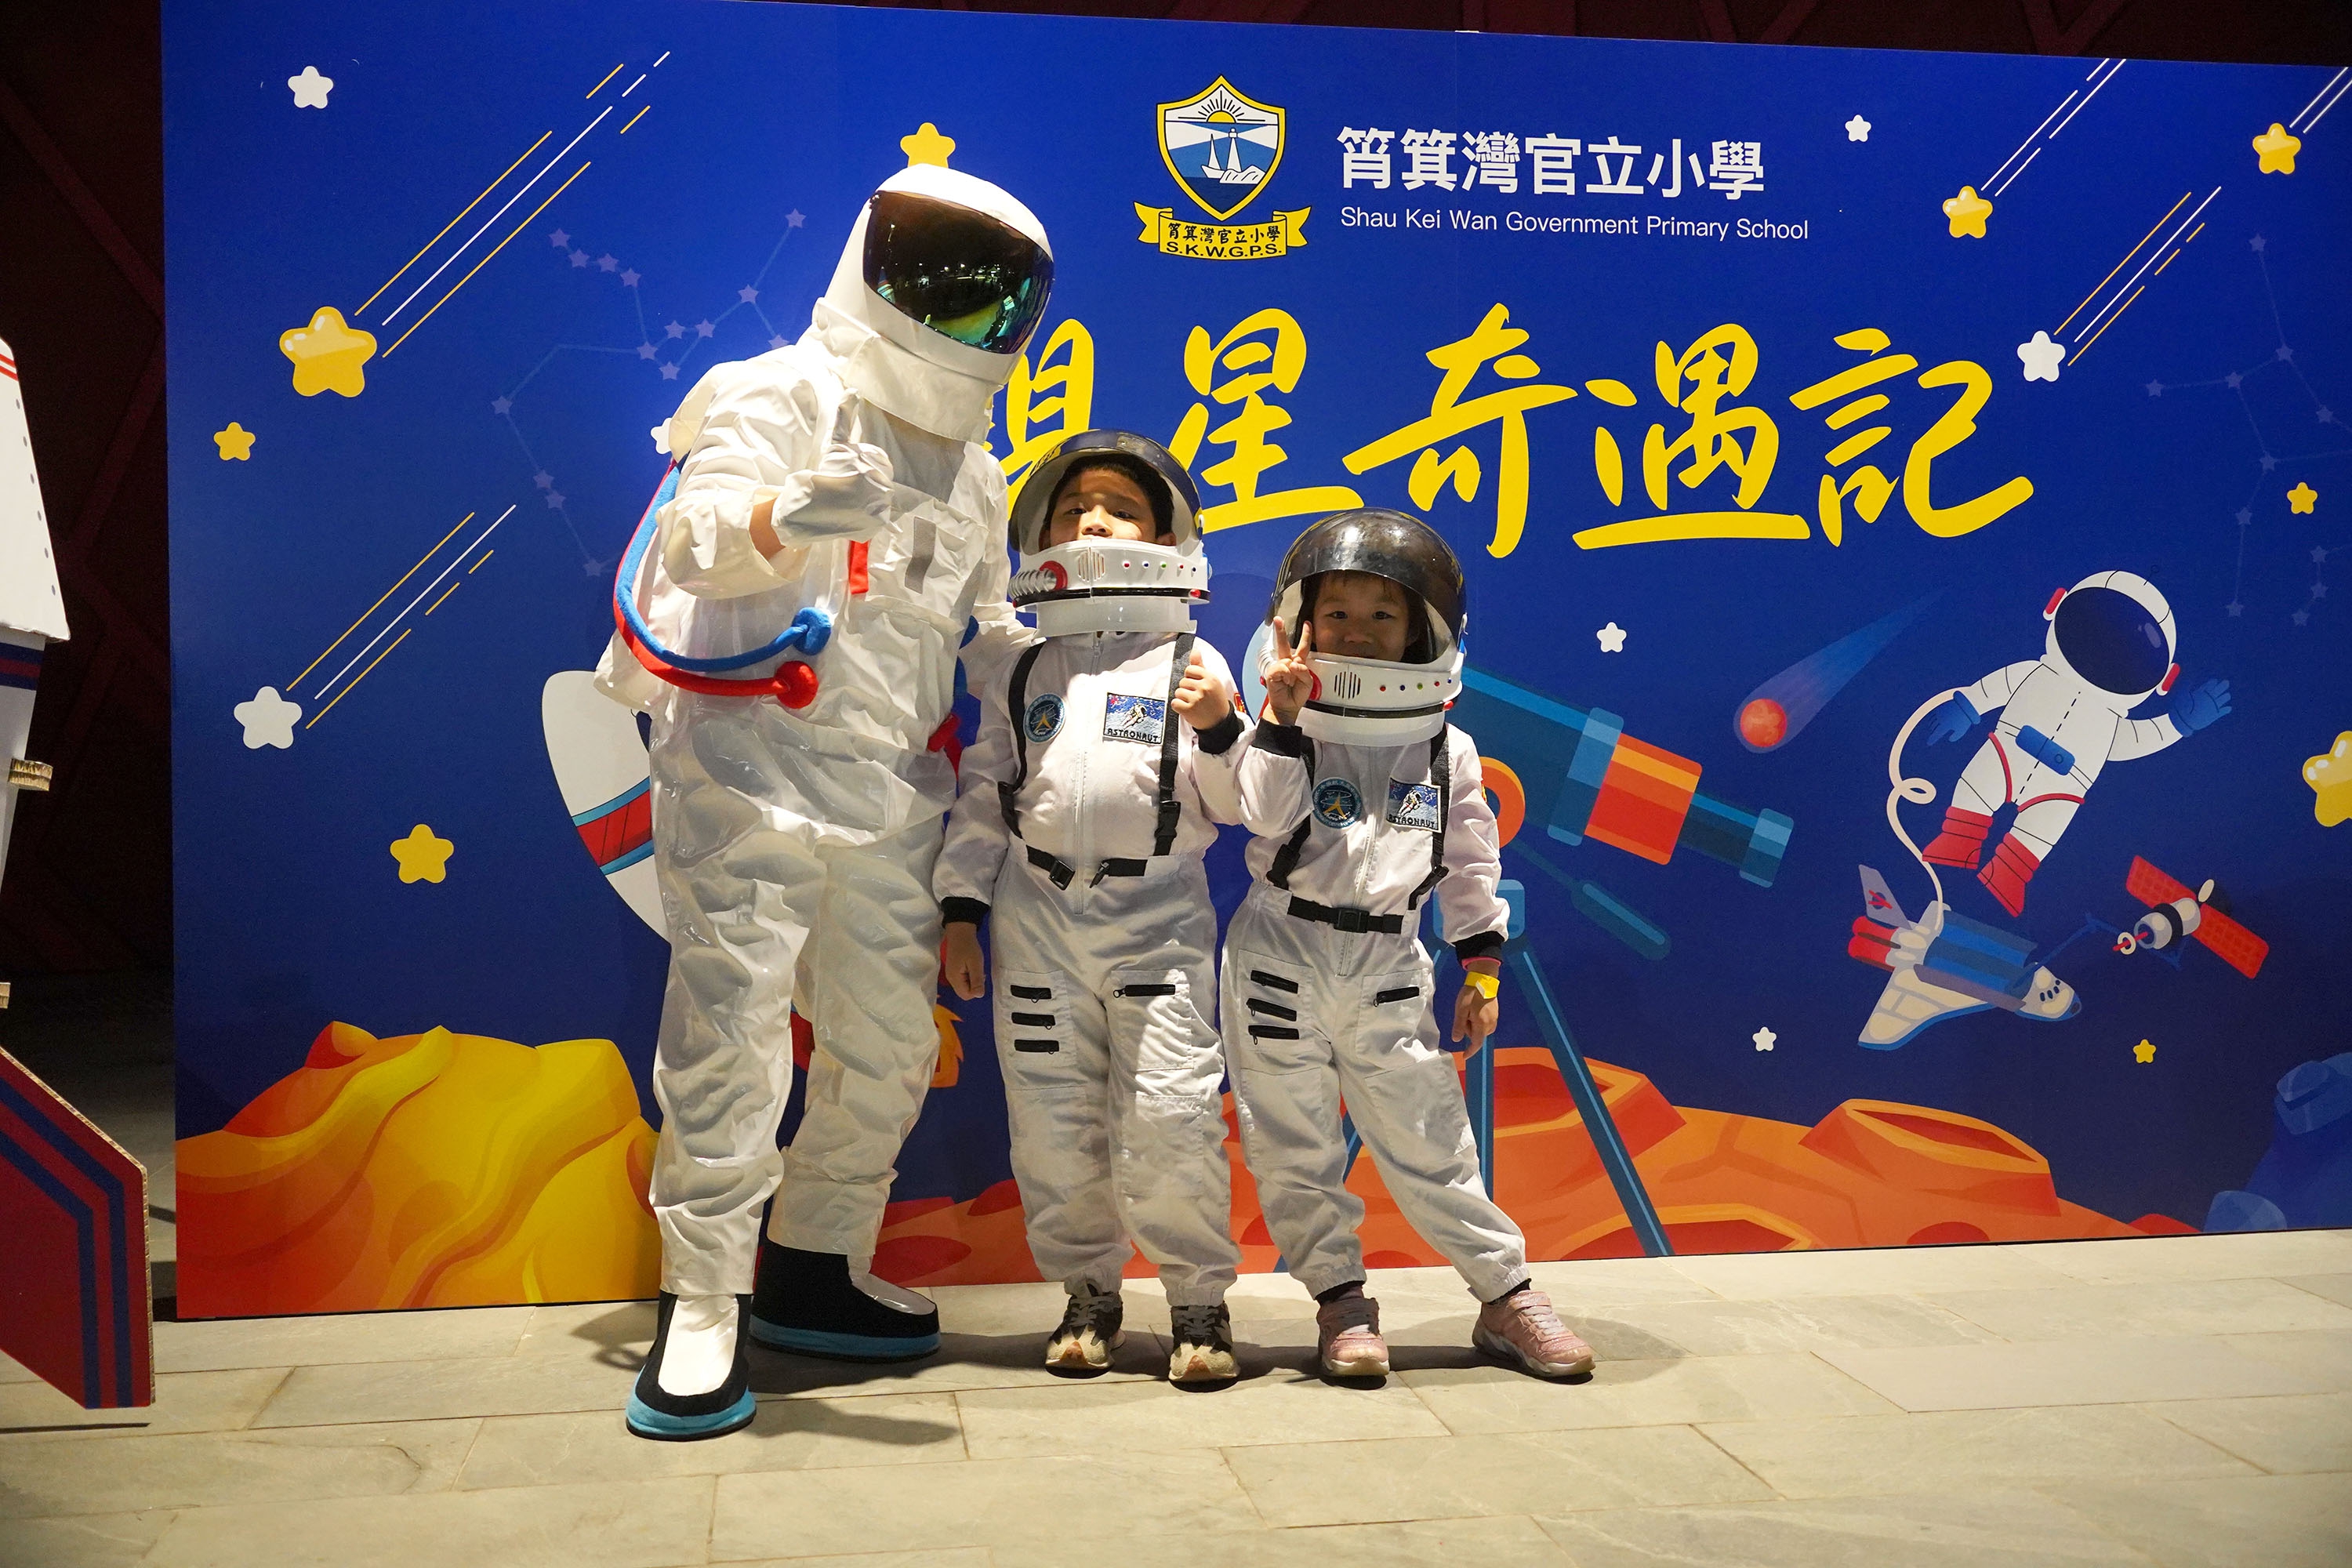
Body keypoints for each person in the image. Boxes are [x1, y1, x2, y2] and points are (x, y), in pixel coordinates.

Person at [597, 160, 1053, 1440]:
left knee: (892, 1042)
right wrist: (786, 512)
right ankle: (702, 1302)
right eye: (942, 288)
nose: (962, 319)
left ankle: (815, 1255)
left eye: (991, 301)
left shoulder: (975, 470)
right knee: (731, 1036)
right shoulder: (774, 392)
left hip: (890, 787)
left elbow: (987, 631)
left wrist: (1063, 671)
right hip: (746, 766)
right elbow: (691, 543)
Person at [1223, 508, 1595, 1381]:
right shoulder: (1282, 727)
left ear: (1424, 633)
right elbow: (1261, 816)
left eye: (1382, 614)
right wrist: (1281, 717)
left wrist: (1483, 965)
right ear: (1300, 624)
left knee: (1431, 1139)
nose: (1357, 631)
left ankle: (1506, 1294)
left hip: (1389, 959)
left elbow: (1470, 860)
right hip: (1281, 951)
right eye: (1337, 613)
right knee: (1293, 1145)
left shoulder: (1445, 748)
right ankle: (1341, 1303)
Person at [935, 430, 1250, 1385]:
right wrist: (961, 907)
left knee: (1173, 1113)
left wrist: (1220, 725)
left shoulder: (1190, 660)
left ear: (1167, 535)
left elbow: (1239, 804)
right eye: (1075, 508)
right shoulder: (1023, 667)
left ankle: (1198, 1301)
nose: (1095, 521)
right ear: (1042, 534)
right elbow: (985, 792)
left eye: (1121, 507)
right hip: (1035, 916)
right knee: (1051, 1118)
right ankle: (1088, 1292)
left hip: (1155, 916)